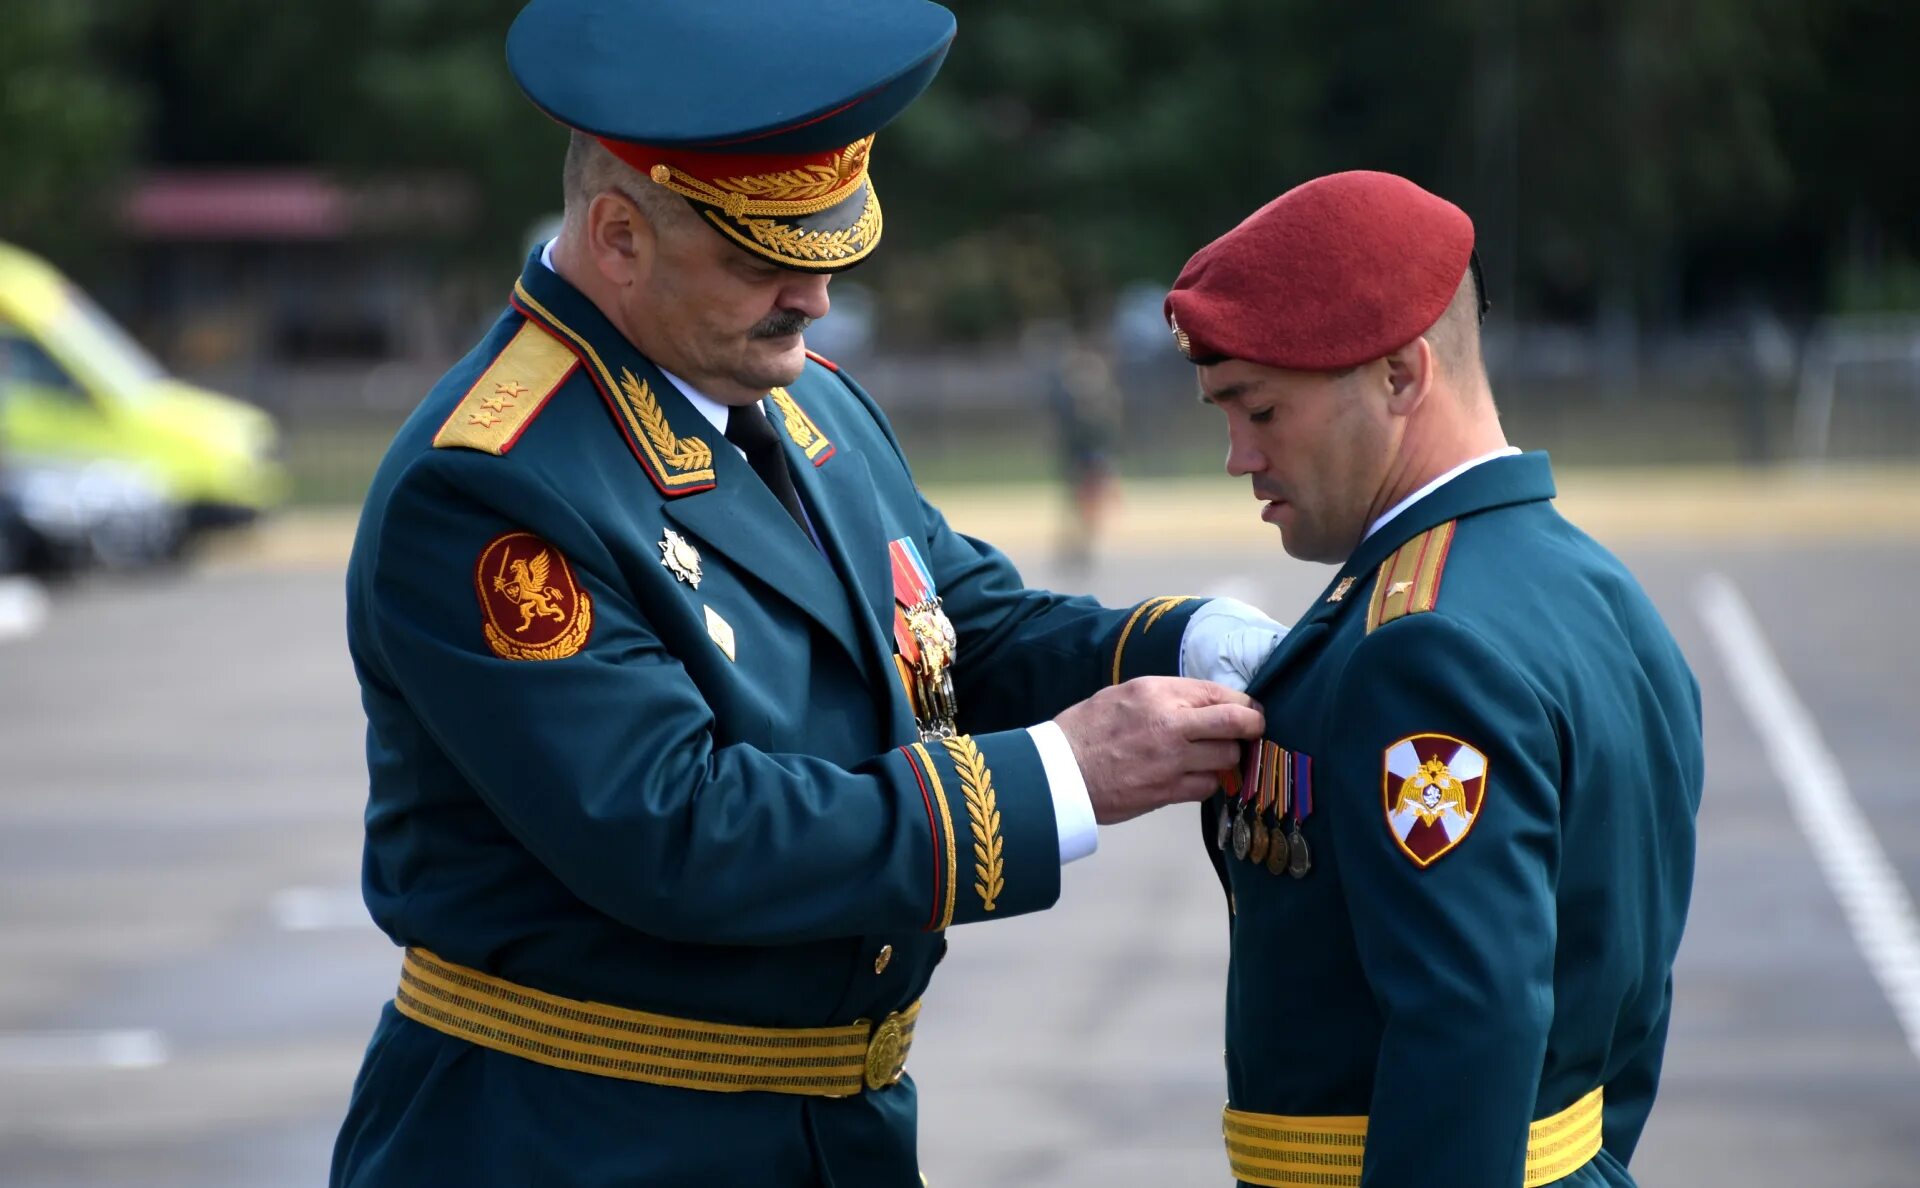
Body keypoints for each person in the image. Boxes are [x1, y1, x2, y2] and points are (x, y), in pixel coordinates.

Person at [328, 2, 1286, 1185]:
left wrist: (1188, 645)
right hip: (580, 1138)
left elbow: (960, 631)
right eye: (763, 258)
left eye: (828, 247)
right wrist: (1057, 777)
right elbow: (675, 829)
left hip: (827, 1131)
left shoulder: (800, 397)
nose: (816, 296)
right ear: (619, 237)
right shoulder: (494, 484)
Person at [1163, 171, 1703, 1187]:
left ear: (1401, 377)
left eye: (1262, 409)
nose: (1238, 455)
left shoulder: (1419, 648)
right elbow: (1629, 1008)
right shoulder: (1597, 590)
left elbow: (1468, 1028)